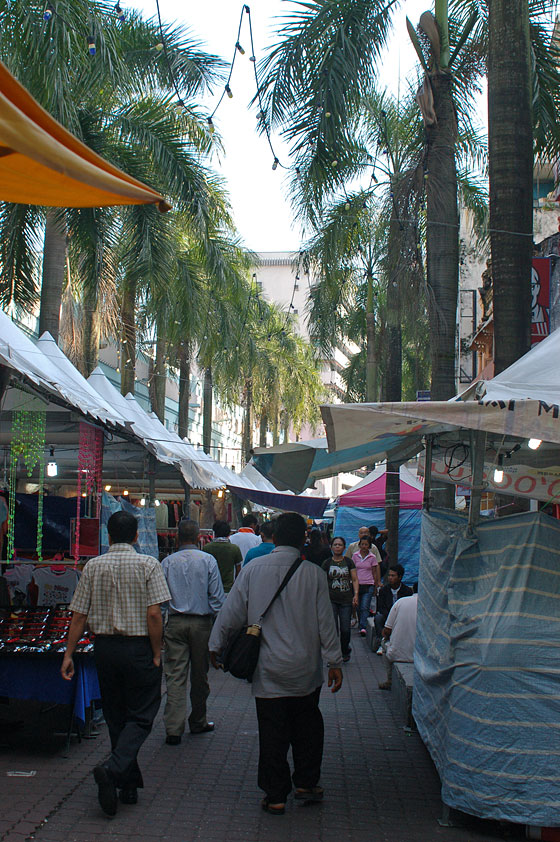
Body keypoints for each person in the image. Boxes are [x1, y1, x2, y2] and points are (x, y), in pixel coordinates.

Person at [208, 512, 343, 815]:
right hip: (305, 670)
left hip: (267, 669)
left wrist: (214, 646)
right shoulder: (314, 574)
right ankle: (306, 783)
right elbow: (326, 622)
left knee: (272, 732)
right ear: (303, 540)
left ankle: (276, 795)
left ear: (275, 537)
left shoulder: (254, 569)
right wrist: (334, 661)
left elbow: (231, 613)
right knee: (308, 726)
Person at [61, 511, 171, 816]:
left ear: (108, 536)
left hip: (105, 648)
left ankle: (128, 785)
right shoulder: (149, 564)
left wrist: (69, 654)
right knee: (142, 714)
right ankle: (113, 769)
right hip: (138, 648)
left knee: (116, 715)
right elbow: (154, 614)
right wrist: (157, 651)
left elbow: (79, 616)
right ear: (136, 536)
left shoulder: (93, 566)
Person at [161, 519, 225, 745]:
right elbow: (217, 597)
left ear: (178, 537)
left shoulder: (167, 562)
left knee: (175, 675)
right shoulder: (208, 560)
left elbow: (161, 599)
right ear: (199, 537)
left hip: (175, 622)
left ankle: (173, 728)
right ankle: (198, 720)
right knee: (200, 675)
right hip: (201, 624)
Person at [322, 537, 358, 663]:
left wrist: (356, 594)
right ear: (331, 547)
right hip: (331, 599)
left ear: (344, 547)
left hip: (346, 600)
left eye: (340, 545)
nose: (337, 547)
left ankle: (345, 650)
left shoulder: (349, 562)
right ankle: (333, 655)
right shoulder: (327, 563)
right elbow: (322, 581)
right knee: (332, 629)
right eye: (335, 544)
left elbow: (354, 579)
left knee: (345, 629)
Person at [379, 585, 418, 690]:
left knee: (384, 643)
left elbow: (387, 630)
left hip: (397, 654)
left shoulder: (401, 602)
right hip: (421, 656)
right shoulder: (430, 605)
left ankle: (389, 679)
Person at [374, 564, 413, 653]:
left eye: (393, 576)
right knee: (378, 618)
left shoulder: (407, 591)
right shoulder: (384, 590)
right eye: (389, 575)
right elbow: (381, 607)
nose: (390, 578)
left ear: (400, 577)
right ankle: (382, 643)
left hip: (402, 617)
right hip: (387, 615)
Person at [352, 535, 381, 636]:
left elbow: (374, 571)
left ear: (369, 546)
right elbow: (353, 570)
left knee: (365, 606)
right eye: (362, 544)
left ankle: (363, 627)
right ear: (360, 545)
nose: (364, 546)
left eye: (366, 545)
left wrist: (376, 584)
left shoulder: (372, 557)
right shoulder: (355, 556)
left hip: (369, 584)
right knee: (358, 606)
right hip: (357, 585)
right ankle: (361, 622)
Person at [204, 520, 243, 591]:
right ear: (228, 533)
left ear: (215, 532)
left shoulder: (206, 548)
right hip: (229, 589)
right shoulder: (234, 549)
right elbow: (238, 571)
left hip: (211, 589)